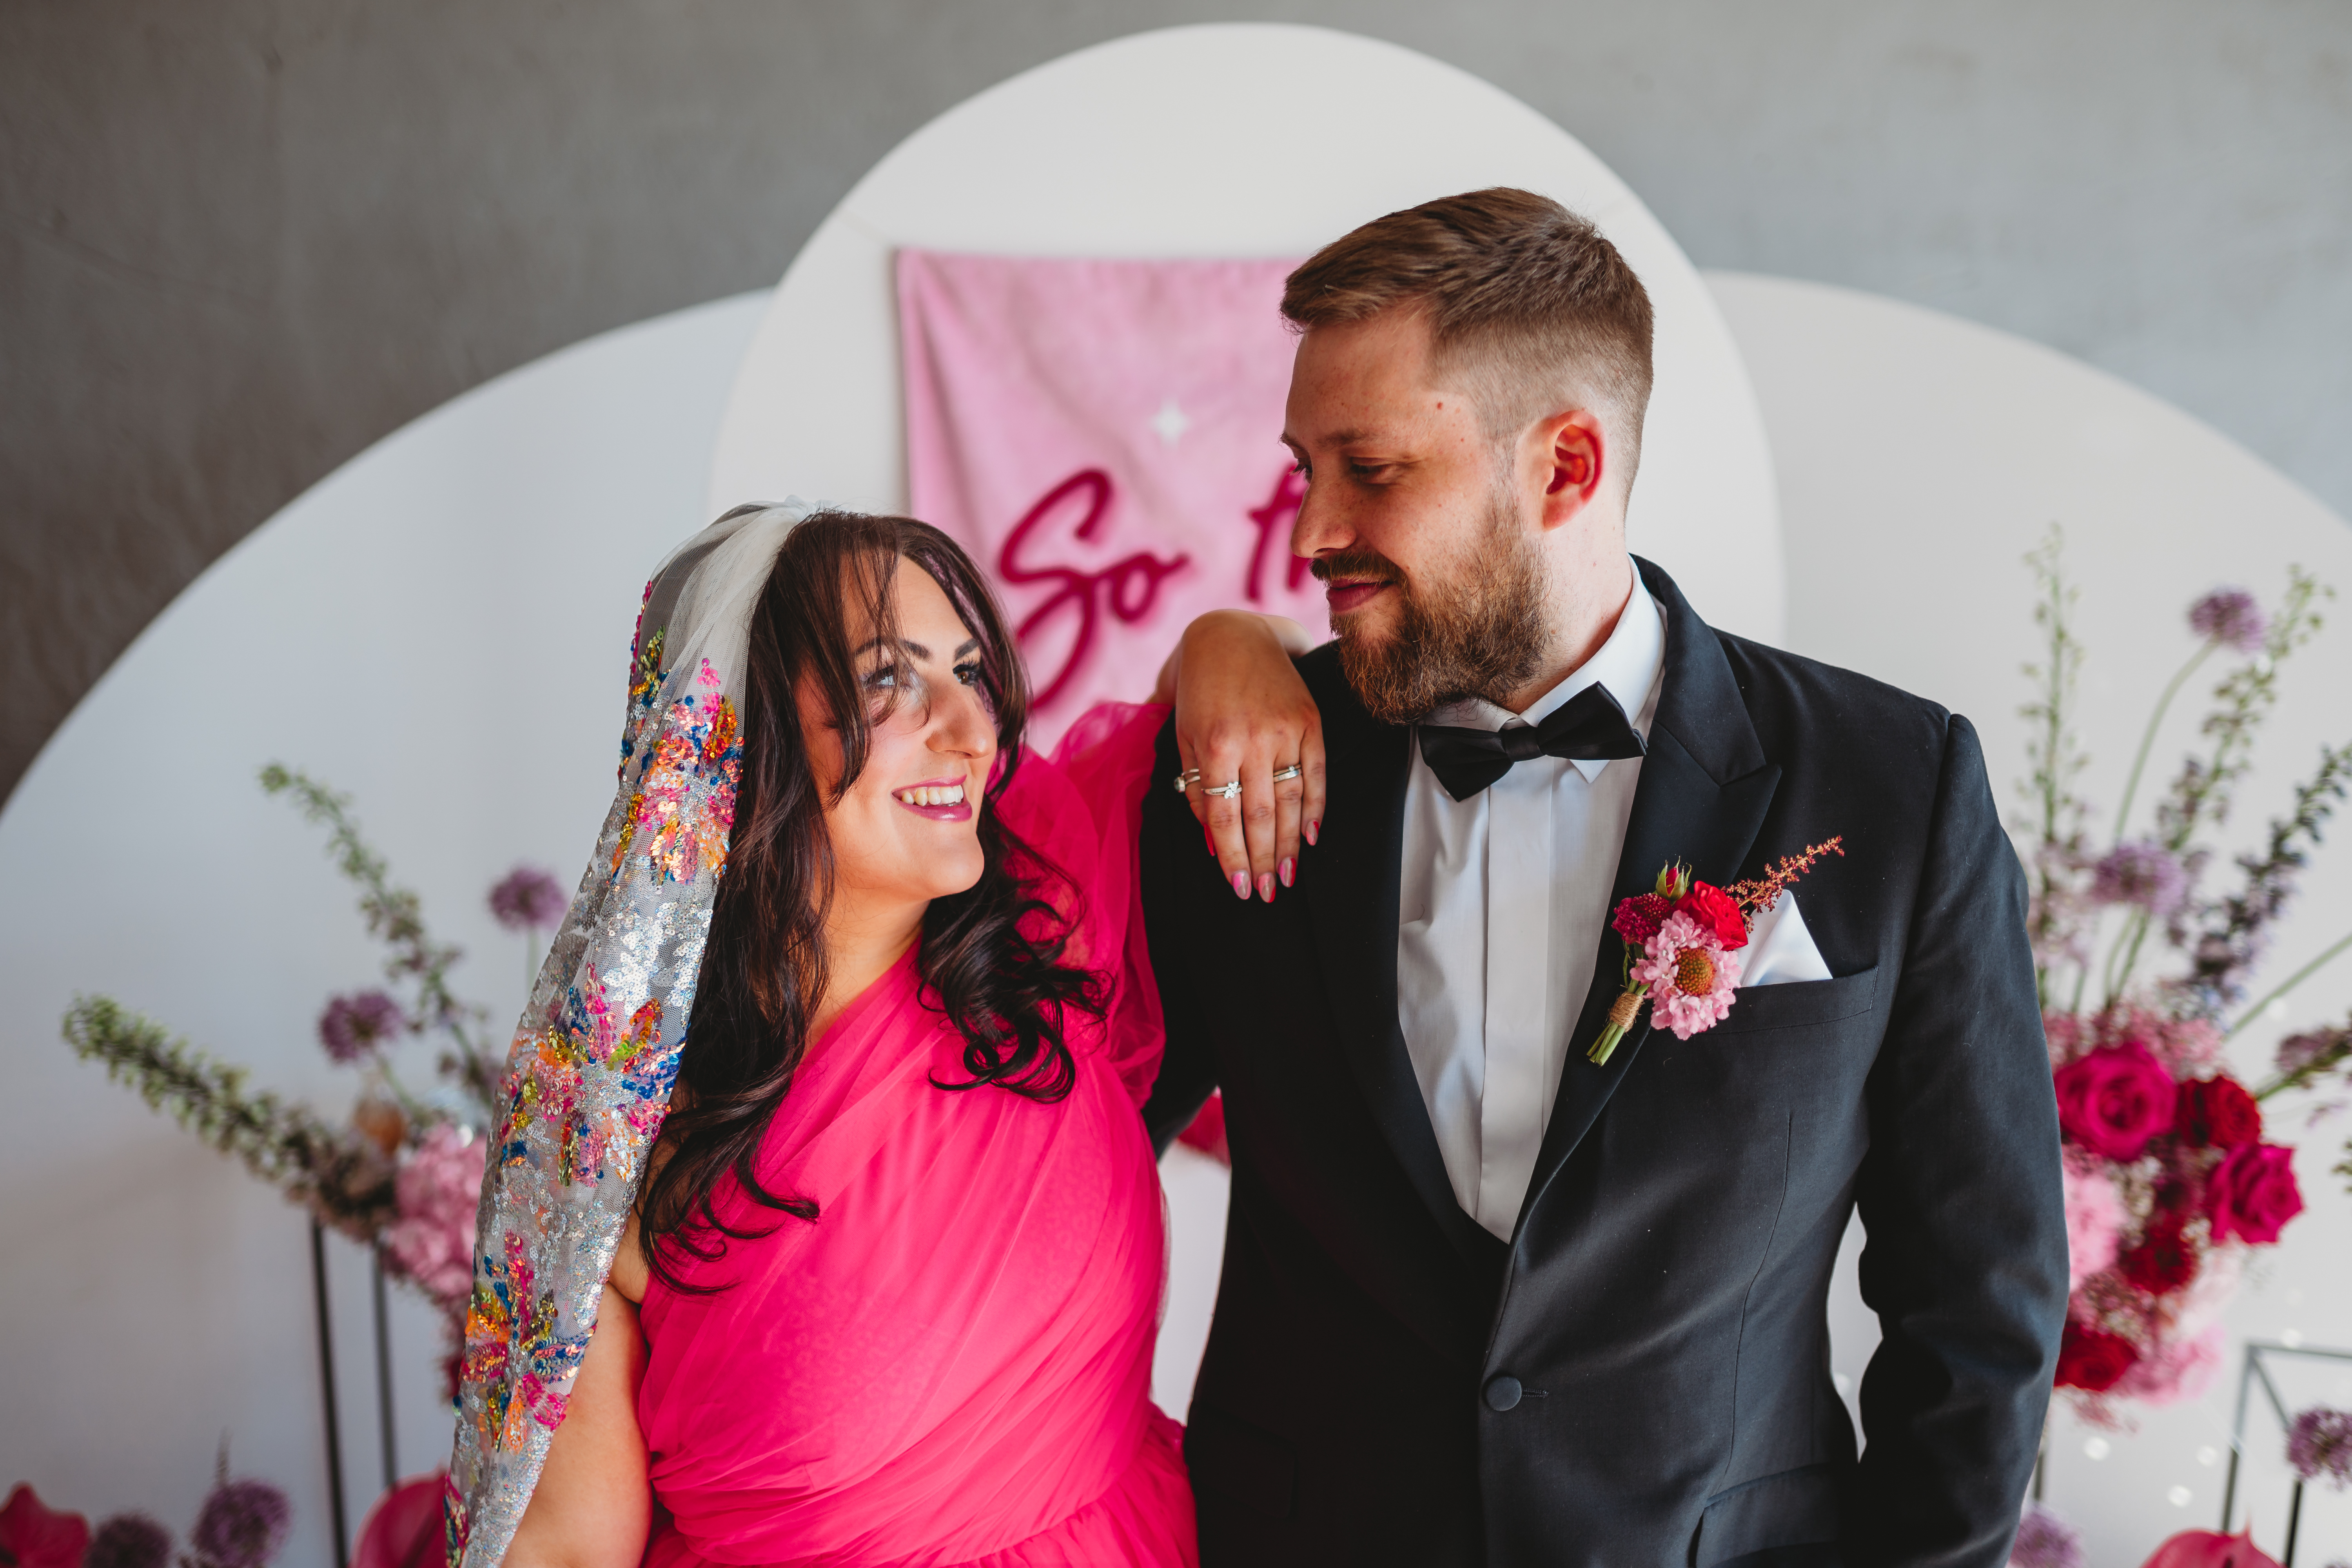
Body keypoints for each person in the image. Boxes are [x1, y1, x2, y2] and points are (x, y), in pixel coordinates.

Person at [1139, 189, 2069, 1568]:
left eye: (1372, 471)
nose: (1311, 530)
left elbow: (1977, 1301)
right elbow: (1058, 1169)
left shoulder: (1891, 785)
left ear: (1566, 465)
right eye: (1303, 470)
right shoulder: (1243, 764)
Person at [449, 508, 1300, 1568]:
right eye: (890, 680)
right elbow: (562, 1557)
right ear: (733, 733)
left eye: (971, 674)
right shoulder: (607, 1136)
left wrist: (1237, 635)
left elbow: (1206, 704)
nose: (969, 729)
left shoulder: (1047, 915)